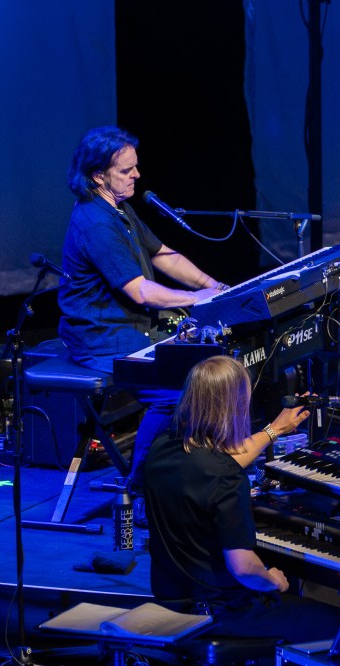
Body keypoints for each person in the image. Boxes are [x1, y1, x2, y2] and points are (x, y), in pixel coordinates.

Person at [58, 126, 225, 500]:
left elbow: (164, 255)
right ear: (98, 175)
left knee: (206, 368)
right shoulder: (96, 222)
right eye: (126, 170)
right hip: (102, 337)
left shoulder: (120, 210)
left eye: (136, 167)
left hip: (131, 328)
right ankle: (140, 485)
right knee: (174, 391)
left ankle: (186, 473)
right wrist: (198, 300)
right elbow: (141, 290)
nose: (137, 175)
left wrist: (215, 287)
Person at [144, 355, 340, 641]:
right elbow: (243, 568)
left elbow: (218, 463)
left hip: (172, 602)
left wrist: (275, 429)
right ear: (234, 407)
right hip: (223, 614)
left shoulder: (163, 446)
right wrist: (270, 579)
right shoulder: (228, 480)